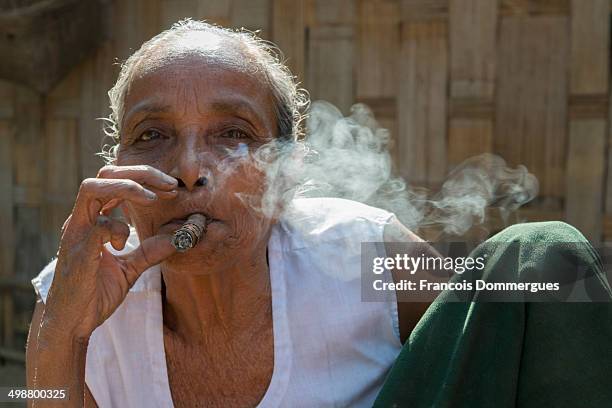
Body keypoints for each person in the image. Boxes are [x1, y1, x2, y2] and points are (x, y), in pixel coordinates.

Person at [26, 19, 430, 407]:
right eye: (151, 135)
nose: (187, 169)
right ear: (118, 169)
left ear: (286, 172)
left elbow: (490, 310)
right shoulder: (74, 292)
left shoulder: (370, 253)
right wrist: (65, 337)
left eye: (233, 134)